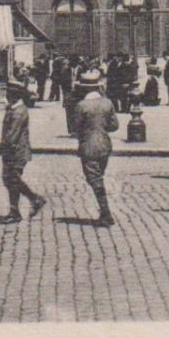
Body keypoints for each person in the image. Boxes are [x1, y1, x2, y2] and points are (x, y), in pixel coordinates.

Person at [0, 78, 47, 223]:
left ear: (14, 95)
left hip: (17, 152)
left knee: (12, 179)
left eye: (8, 92)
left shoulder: (19, 112)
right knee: (10, 179)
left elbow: (11, 137)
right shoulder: (13, 108)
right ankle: (32, 201)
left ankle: (21, 208)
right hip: (11, 151)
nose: (6, 95)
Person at [70, 68, 118, 226]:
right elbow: (114, 126)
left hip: (88, 146)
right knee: (99, 177)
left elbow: (75, 128)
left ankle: (106, 213)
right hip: (105, 145)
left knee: (95, 180)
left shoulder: (81, 106)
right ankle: (104, 212)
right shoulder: (107, 103)